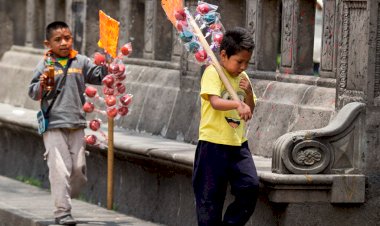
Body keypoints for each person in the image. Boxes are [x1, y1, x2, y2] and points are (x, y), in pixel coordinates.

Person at [28, 21, 108, 225]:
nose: (64, 43)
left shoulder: (81, 61)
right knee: (59, 170)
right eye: (58, 40)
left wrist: (110, 63)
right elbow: (33, 91)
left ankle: (62, 195)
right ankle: (62, 212)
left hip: (77, 123)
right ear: (48, 44)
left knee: (79, 171)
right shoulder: (45, 64)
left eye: (68, 38)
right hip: (54, 123)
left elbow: (99, 77)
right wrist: (43, 85)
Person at [192, 27, 259, 226]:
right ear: (223, 55)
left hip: (238, 145)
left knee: (250, 185)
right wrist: (237, 103)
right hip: (212, 145)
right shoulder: (212, 72)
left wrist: (247, 95)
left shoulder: (243, 79)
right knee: (209, 200)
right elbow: (215, 101)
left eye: (247, 62)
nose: (243, 67)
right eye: (239, 61)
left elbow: (250, 109)